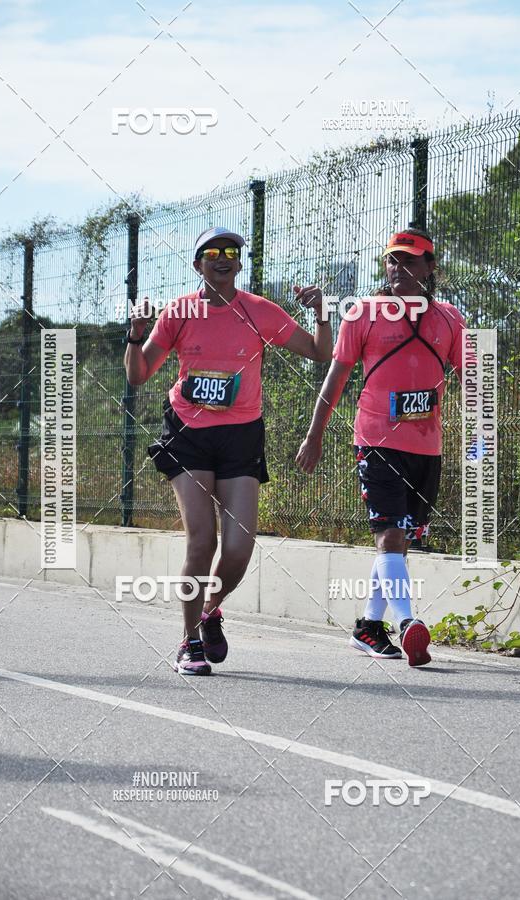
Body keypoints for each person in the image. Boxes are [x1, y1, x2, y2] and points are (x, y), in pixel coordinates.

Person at [124, 227, 332, 675]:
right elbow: (139, 374)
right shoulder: (180, 311)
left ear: (239, 264)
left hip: (241, 435)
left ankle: (209, 608)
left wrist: (321, 313)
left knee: (238, 549)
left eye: (231, 252)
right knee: (203, 541)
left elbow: (318, 352)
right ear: (197, 263)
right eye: (212, 252)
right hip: (188, 434)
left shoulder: (258, 311)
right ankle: (187, 644)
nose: (223, 258)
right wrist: (135, 336)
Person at [296, 227, 467, 666]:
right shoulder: (363, 314)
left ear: (431, 268)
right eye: (393, 260)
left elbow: (472, 381)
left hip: (427, 447)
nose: (399, 268)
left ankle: (369, 627)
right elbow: (335, 379)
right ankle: (409, 624)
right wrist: (314, 435)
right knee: (389, 534)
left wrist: (483, 436)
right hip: (376, 442)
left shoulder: (449, 319)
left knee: (401, 540)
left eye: (410, 261)